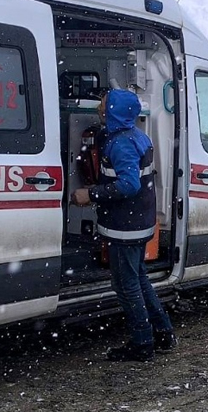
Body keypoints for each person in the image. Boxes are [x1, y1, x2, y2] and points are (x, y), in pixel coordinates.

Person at [72, 88, 176, 361]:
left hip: (125, 227)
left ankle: (142, 343)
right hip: (137, 223)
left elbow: (128, 185)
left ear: (114, 111)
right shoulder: (137, 136)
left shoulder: (120, 143)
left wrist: (90, 193)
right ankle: (163, 332)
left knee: (126, 284)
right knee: (139, 278)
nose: (100, 108)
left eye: (105, 104)